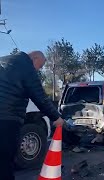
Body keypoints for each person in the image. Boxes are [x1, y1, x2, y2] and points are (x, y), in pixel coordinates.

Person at [0, 51, 65, 180]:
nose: (38, 70)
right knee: (5, 160)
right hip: (7, 119)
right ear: (34, 58)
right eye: (39, 66)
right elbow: (39, 96)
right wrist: (56, 117)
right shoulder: (25, 65)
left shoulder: (4, 60)